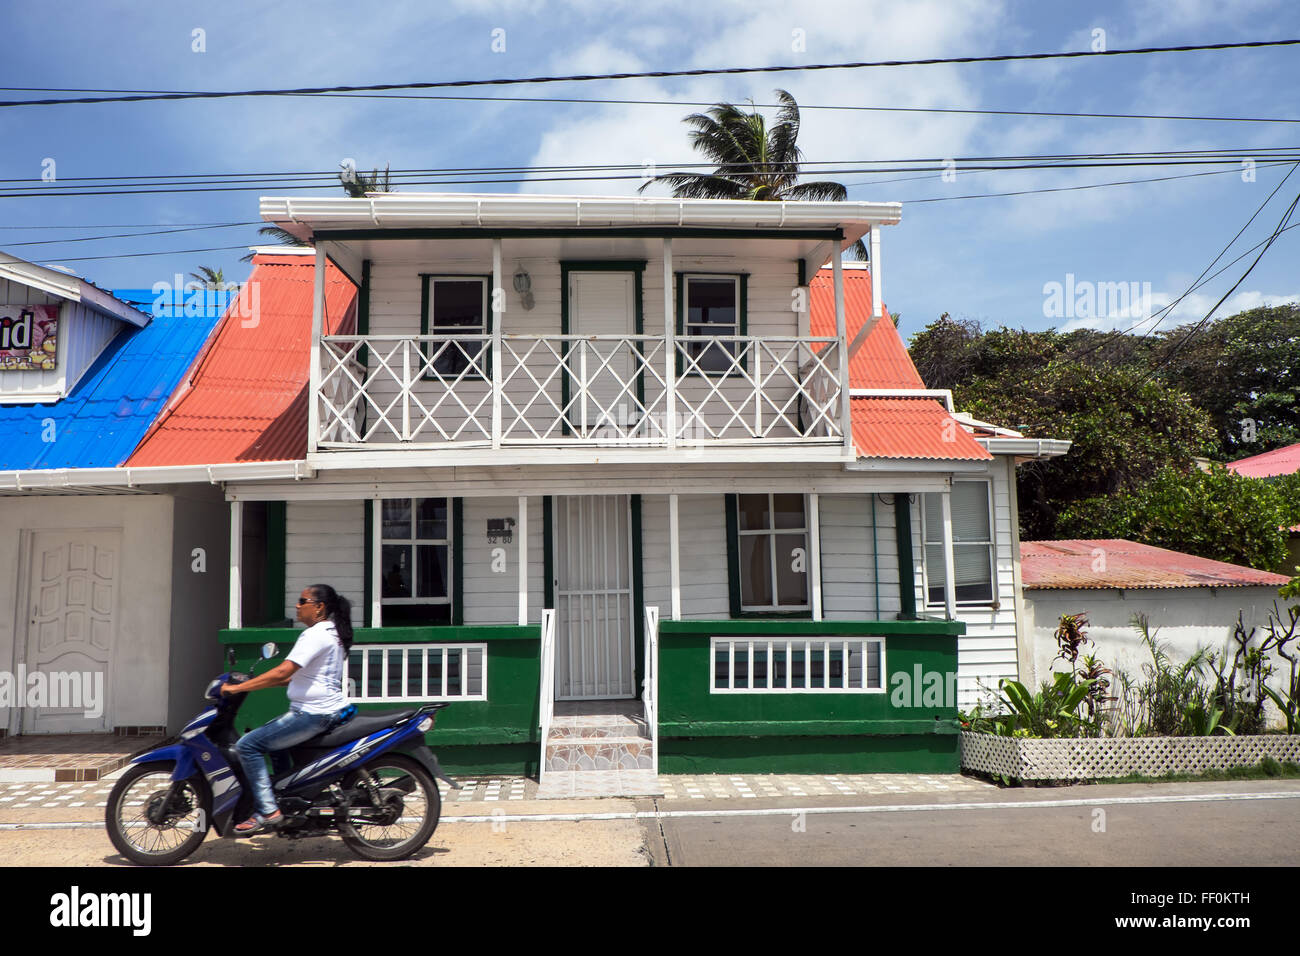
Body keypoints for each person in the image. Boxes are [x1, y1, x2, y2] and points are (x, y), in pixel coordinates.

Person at [221, 584, 353, 834]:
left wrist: (238, 688)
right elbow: (295, 677)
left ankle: (269, 811)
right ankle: (288, 799)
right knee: (271, 741)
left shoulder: (316, 635)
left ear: (319, 607)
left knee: (248, 745)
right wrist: (256, 683)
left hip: (313, 714)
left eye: (302, 601)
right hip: (321, 711)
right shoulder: (330, 632)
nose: (297, 606)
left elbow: (284, 670)